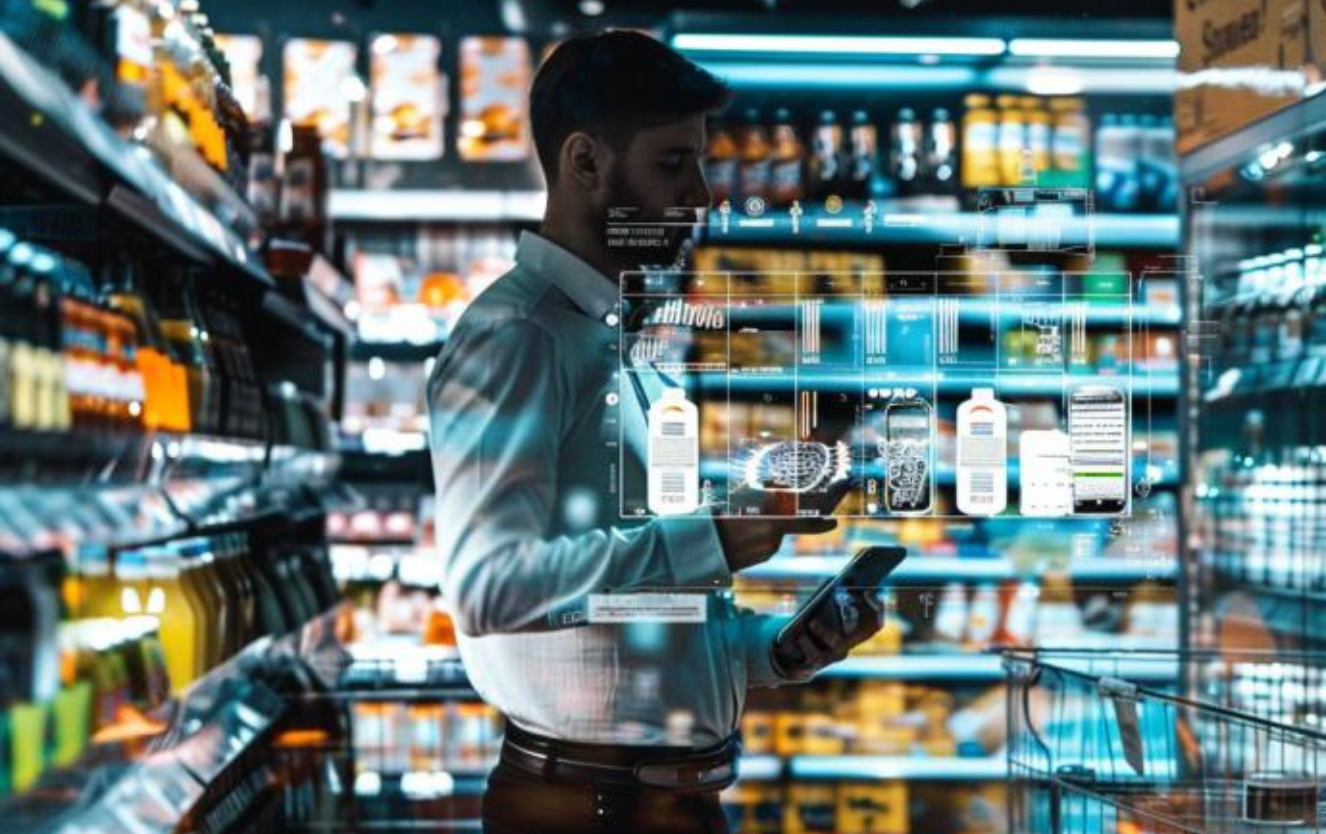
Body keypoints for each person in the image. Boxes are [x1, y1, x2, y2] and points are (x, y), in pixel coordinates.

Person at [427, 30, 884, 834]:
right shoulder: (519, 336)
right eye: (673, 164)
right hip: (590, 806)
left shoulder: (616, 342)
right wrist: (712, 534)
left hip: (655, 799)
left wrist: (770, 649)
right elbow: (491, 585)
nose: (702, 194)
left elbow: (625, 614)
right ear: (586, 163)